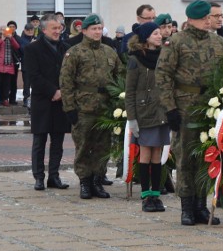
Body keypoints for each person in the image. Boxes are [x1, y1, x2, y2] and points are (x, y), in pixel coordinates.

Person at [156, 1, 223, 225]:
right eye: (206, 17)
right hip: (185, 107)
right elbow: (163, 75)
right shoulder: (176, 42)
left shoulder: (219, 43)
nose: (211, 20)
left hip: (211, 108)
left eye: (211, 17)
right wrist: (170, 109)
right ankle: (187, 208)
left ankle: (201, 206)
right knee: (186, 157)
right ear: (193, 19)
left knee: (208, 157)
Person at [60, 13, 126, 200]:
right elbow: (66, 82)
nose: (97, 32)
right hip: (83, 108)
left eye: (99, 28)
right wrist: (69, 108)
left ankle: (98, 181)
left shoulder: (109, 51)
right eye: (93, 29)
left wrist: (119, 101)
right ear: (85, 31)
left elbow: (120, 76)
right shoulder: (75, 52)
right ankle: (85, 182)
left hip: (105, 107)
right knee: (83, 145)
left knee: (103, 146)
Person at [22, 14, 71, 191]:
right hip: (42, 101)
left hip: (61, 101)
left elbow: (70, 74)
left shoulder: (66, 48)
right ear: (43, 30)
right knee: (39, 141)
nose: (58, 31)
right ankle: (39, 177)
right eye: (54, 28)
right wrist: (53, 91)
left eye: (59, 28)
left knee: (58, 142)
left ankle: (54, 176)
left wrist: (62, 91)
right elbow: (33, 76)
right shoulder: (32, 49)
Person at [125, 21, 171, 213]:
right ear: (146, 38)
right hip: (144, 112)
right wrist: (132, 118)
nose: (159, 36)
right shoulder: (136, 60)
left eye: (160, 33)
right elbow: (130, 91)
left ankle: (156, 194)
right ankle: (145, 195)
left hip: (161, 111)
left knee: (157, 155)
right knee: (145, 154)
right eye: (155, 33)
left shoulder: (164, 56)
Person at [0, 25, 20, 107]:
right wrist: (1, 40)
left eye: (5, 30)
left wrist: (11, 38)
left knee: (7, 84)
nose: (4, 31)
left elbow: (17, 46)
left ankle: (5, 100)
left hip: (8, 65)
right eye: (2, 30)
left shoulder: (10, 39)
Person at [18, 23, 37, 107]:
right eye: (28, 30)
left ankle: (34, 100)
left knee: (35, 84)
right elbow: (23, 49)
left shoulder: (36, 38)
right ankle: (26, 100)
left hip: (36, 65)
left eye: (31, 30)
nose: (30, 32)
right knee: (27, 84)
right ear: (25, 30)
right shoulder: (22, 39)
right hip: (26, 65)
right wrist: (31, 44)